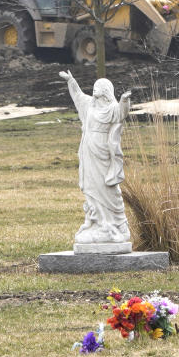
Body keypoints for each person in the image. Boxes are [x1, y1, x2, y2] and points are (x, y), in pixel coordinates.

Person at [58, 70, 132, 247]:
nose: (95, 89)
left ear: (106, 90)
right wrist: (71, 80)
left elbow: (122, 113)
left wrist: (124, 100)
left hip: (103, 152)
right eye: (94, 86)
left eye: (98, 87)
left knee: (107, 186)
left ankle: (117, 223)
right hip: (88, 150)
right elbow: (77, 96)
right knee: (91, 186)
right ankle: (97, 221)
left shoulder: (111, 108)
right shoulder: (89, 105)